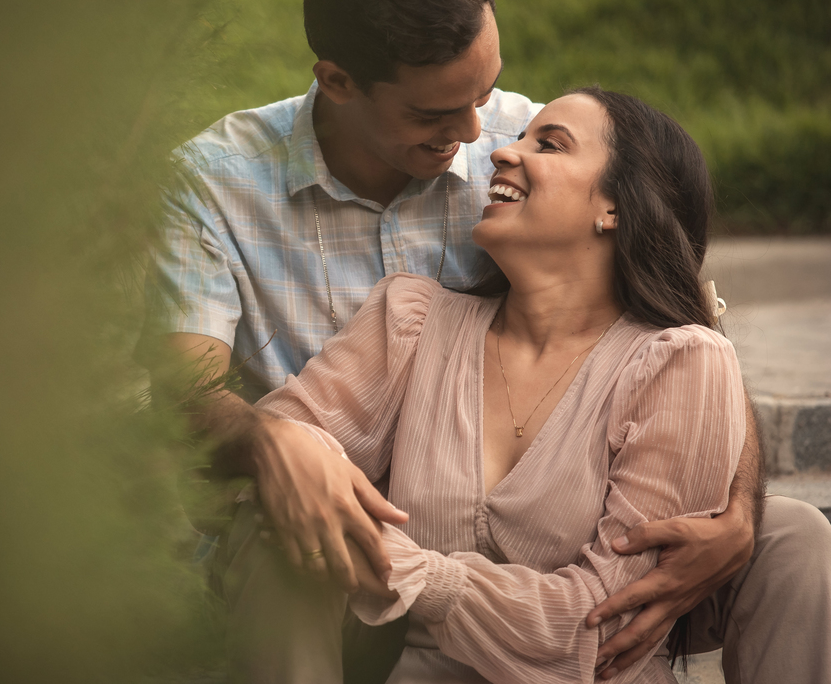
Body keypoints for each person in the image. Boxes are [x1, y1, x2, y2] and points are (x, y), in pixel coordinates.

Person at [140, 0, 831, 683]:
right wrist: (276, 444)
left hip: (558, 522)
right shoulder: (215, 184)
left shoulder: (517, 138)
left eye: (486, 91)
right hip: (353, 516)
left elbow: (686, 326)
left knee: (792, 534)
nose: (480, 136)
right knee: (287, 540)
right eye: (434, 113)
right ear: (337, 82)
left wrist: (736, 505)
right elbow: (184, 393)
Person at [251, 87, 742, 682]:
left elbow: (600, 625)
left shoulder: (679, 363)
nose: (502, 155)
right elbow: (280, 440)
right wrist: (299, 459)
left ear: (614, 208)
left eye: (550, 145)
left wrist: (407, 569)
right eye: (519, 139)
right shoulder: (411, 321)